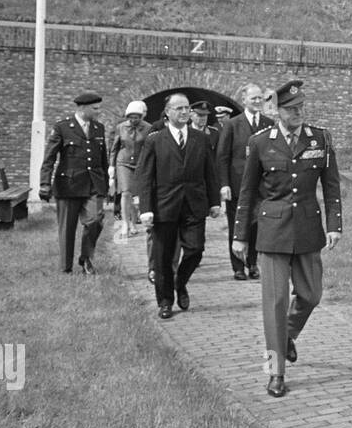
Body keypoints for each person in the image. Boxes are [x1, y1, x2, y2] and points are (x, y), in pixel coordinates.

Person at [233, 80, 342, 398]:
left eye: (300, 108)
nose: (297, 114)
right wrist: (240, 236)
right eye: (290, 109)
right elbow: (247, 192)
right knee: (275, 304)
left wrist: (334, 224)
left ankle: (287, 336)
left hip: (308, 229)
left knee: (311, 294)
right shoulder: (261, 142)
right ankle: (275, 371)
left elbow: (331, 186)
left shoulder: (320, 139)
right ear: (276, 111)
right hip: (273, 233)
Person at [135, 93, 220, 319]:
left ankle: (180, 282)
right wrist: (145, 208)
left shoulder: (200, 139)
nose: (184, 112)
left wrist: (214, 202)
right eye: (179, 108)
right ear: (168, 113)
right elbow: (145, 176)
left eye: (186, 108)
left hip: (194, 204)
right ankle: (165, 302)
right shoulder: (154, 140)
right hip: (164, 206)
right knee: (163, 258)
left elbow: (210, 172)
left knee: (195, 249)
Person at [38, 92, 109, 274]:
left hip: (93, 184)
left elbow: (103, 159)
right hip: (68, 185)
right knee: (67, 229)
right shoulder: (62, 127)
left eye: (98, 107)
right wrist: (44, 184)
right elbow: (49, 157)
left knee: (95, 221)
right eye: (95, 108)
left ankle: (86, 258)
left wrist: (106, 185)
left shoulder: (99, 128)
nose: (98, 111)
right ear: (82, 108)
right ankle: (66, 268)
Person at [218, 83, 274, 281]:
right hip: (237, 184)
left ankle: (252, 263)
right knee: (237, 224)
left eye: (260, 98)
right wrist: (224, 184)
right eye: (253, 98)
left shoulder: (269, 124)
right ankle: (238, 266)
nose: (257, 101)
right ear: (244, 101)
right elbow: (223, 156)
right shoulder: (233, 125)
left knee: (257, 224)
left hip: (261, 185)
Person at [110, 100, 152, 237]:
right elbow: (114, 148)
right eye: (131, 117)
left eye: (137, 117)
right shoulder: (121, 127)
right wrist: (111, 166)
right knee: (126, 192)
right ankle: (125, 223)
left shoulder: (148, 128)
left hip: (140, 163)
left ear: (141, 117)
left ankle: (134, 222)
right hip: (123, 162)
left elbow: (150, 147)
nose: (134, 120)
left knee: (137, 195)